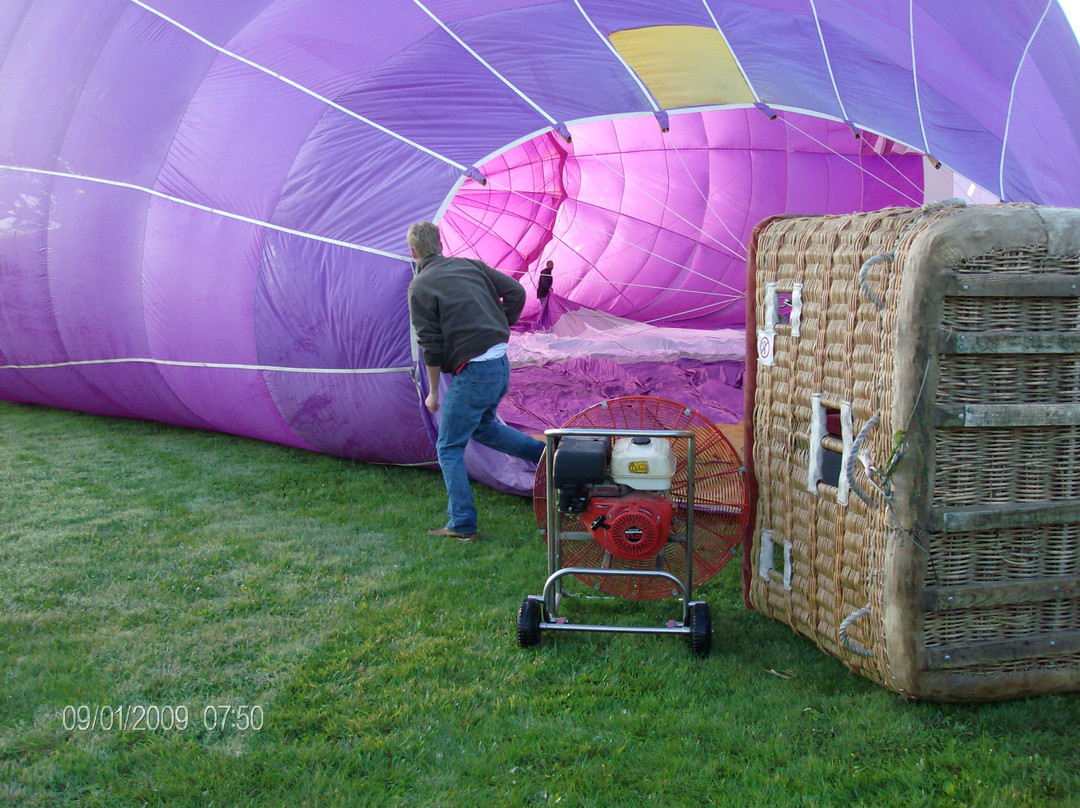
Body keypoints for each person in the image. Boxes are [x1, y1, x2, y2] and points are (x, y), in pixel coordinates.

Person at [406, 221, 545, 542]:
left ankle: (462, 523)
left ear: (413, 252)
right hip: (499, 365)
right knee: (483, 429)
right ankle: (545, 456)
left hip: (475, 373)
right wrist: (500, 324)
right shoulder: (471, 265)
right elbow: (516, 292)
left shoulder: (420, 286)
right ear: (440, 244)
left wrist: (432, 392)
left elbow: (430, 344)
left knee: (448, 446)